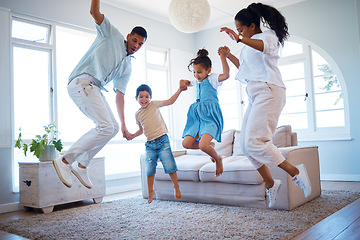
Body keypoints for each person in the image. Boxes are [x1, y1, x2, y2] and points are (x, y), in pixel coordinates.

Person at [220, 3, 311, 208]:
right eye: (237, 31)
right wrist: (228, 54)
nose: (239, 33)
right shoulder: (247, 46)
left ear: (252, 26)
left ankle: (295, 172)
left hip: (269, 91)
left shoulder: (268, 36)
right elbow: (244, 68)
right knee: (245, 145)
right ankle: (271, 184)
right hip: (255, 94)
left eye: (241, 29)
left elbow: (262, 48)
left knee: (255, 141)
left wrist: (239, 38)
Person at [53, 0, 147, 189]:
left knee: (110, 128)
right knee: (104, 126)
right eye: (135, 40)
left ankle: (82, 165)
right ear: (128, 36)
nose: (136, 45)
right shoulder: (111, 34)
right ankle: (64, 161)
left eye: (140, 44)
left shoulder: (128, 66)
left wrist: (123, 126)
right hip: (81, 82)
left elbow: (120, 95)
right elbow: (94, 11)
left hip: (94, 88)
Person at [128, 81, 188, 203]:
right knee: (149, 169)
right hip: (150, 144)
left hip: (162, 141)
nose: (144, 99)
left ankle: (176, 187)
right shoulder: (137, 114)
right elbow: (141, 129)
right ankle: (150, 191)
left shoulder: (154, 105)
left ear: (150, 98)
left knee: (170, 165)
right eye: (141, 97)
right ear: (136, 98)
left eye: (146, 97)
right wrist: (133, 135)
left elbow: (170, 101)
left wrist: (180, 90)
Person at [182, 48, 230, 177]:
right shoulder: (196, 81)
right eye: (194, 72)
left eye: (199, 72)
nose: (196, 75)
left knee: (203, 146)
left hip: (209, 117)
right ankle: (211, 145)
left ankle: (218, 158)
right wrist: (184, 83)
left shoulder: (212, 79)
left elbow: (226, 75)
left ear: (208, 71)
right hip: (197, 117)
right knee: (186, 144)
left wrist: (223, 57)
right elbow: (189, 83)